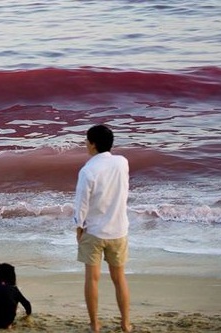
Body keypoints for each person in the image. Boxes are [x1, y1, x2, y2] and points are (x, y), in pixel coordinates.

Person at [73, 124, 132, 333]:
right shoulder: (122, 163)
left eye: (87, 141)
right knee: (119, 278)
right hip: (119, 229)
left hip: (95, 231)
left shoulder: (88, 170)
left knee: (92, 278)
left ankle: (95, 324)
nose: (86, 145)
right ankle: (125, 323)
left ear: (93, 144)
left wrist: (78, 226)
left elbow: (82, 203)